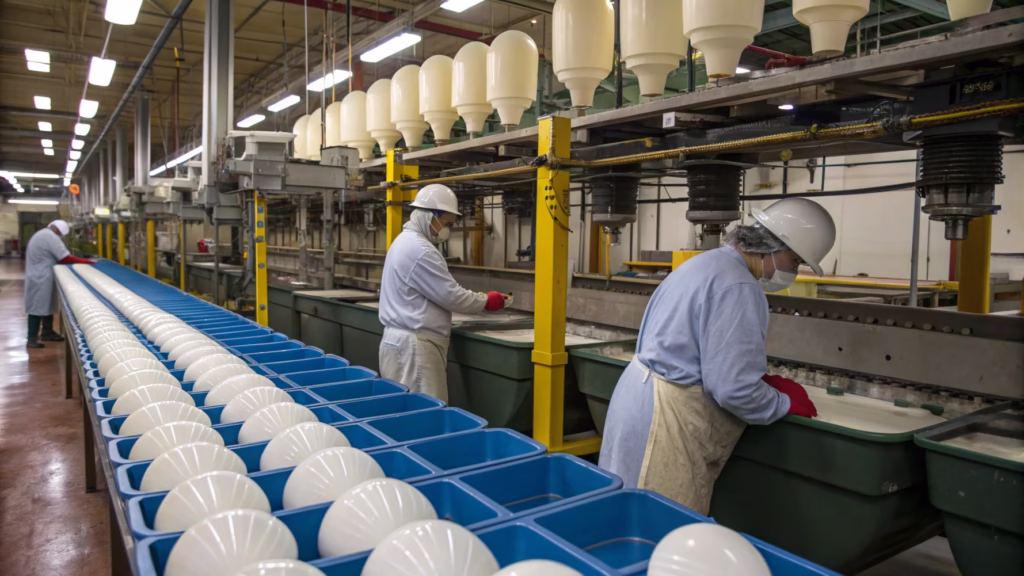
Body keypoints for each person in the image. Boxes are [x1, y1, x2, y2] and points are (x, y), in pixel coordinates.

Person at [598, 197, 836, 515]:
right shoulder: (739, 285)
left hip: (639, 396)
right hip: (668, 420)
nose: (793, 271)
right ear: (772, 247)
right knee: (663, 527)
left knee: (624, 515)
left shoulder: (707, 263)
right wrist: (780, 402)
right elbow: (733, 389)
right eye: (794, 261)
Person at [378, 184, 508, 401]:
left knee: (404, 409)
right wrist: (485, 301)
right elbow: (451, 296)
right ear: (431, 216)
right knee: (425, 412)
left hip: (401, 343)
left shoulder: (403, 241)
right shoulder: (421, 250)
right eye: (446, 224)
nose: (446, 230)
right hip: (415, 348)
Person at [24, 219, 96, 349]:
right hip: (40, 277)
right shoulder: (50, 236)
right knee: (37, 307)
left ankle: (47, 332)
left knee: (47, 305)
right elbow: (65, 258)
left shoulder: (43, 234)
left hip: (43, 275)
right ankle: (31, 339)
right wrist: (88, 262)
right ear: (58, 231)